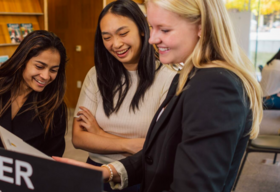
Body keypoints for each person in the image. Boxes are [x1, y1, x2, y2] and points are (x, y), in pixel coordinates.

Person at [54, 0, 263, 191]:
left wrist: (101, 135)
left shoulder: (214, 84)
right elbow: (163, 150)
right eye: (152, 28)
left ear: (201, 27)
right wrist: (108, 171)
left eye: (164, 29)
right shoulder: (192, 76)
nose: (152, 38)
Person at [71, 1, 176, 191]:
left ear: (142, 29)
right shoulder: (95, 75)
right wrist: (131, 145)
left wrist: (101, 134)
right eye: (107, 37)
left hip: (140, 175)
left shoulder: (168, 79)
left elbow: (160, 148)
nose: (116, 44)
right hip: (96, 171)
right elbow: (78, 138)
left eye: (123, 33)